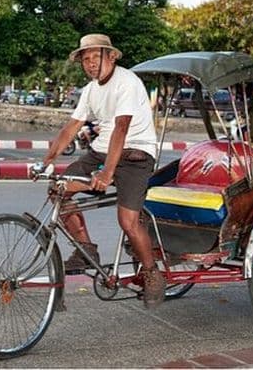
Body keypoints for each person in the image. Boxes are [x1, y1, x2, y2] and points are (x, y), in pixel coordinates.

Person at [40, 33, 165, 308]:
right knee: (59, 189)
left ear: (111, 56)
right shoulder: (91, 90)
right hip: (102, 151)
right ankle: (86, 248)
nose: (91, 64)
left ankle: (152, 273)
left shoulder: (127, 82)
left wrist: (107, 173)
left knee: (128, 221)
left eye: (96, 57)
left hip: (135, 154)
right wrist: (46, 161)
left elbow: (122, 128)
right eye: (86, 59)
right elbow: (71, 128)